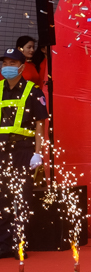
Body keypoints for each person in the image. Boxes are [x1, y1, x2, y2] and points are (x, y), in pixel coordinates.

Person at [0, 47, 48, 259]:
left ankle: (18, 244)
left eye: (12, 64)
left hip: (23, 149)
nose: (7, 67)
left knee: (21, 197)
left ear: (21, 67)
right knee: (2, 198)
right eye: (5, 63)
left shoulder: (33, 91)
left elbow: (40, 125)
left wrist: (38, 153)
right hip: (1, 150)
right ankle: (3, 244)